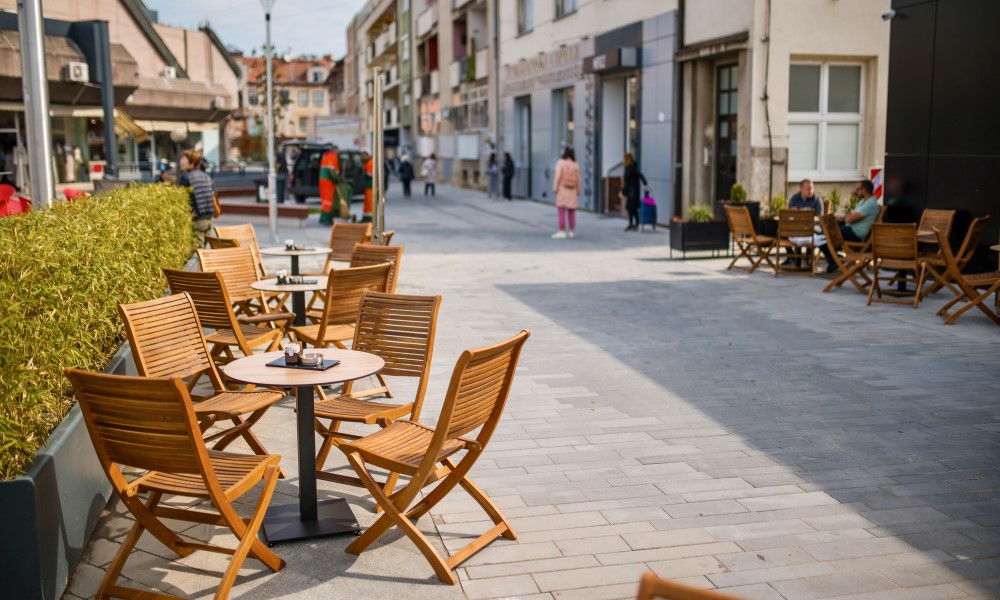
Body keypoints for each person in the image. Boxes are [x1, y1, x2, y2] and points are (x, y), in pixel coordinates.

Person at [818, 179, 881, 273]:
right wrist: (852, 215)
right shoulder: (864, 202)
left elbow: (850, 219)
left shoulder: (870, 203)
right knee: (823, 235)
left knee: (825, 235)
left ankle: (835, 259)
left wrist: (852, 215)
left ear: (864, 190)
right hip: (851, 229)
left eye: (858, 189)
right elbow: (852, 216)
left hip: (855, 234)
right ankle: (835, 258)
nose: (857, 191)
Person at [177, 149, 215, 246]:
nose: (181, 161)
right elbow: (212, 193)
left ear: (192, 162)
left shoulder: (185, 178)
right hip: (210, 218)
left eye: (184, 159)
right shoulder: (206, 176)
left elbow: (181, 200)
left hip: (197, 219)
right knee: (204, 250)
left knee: (196, 251)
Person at [784, 178, 823, 266]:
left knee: (817, 232)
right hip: (796, 227)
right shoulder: (794, 198)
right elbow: (790, 214)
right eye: (808, 189)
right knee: (780, 231)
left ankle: (808, 258)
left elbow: (819, 218)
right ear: (801, 189)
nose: (811, 191)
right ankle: (792, 256)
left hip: (811, 227)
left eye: (812, 188)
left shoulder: (817, 200)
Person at [551, 147, 580, 239]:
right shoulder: (576, 164)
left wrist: (555, 188)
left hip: (563, 189)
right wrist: (578, 191)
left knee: (561, 210)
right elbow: (578, 179)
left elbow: (558, 176)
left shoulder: (561, 163)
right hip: (573, 190)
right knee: (572, 211)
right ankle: (571, 231)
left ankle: (562, 231)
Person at [620, 153, 648, 231]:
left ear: (627, 159)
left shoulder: (632, 167)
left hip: (633, 191)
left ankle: (633, 223)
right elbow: (625, 179)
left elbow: (640, 175)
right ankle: (634, 223)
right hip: (630, 190)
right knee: (632, 208)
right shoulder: (627, 167)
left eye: (624, 158)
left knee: (631, 207)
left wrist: (645, 183)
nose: (622, 160)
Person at [318, 146, 340, 225]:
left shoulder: (325, 155)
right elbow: (332, 170)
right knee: (328, 200)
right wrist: (337, 179)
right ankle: (326, 218)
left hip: (322, 179)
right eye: (337, 151)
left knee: (324, 199)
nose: (338, 153)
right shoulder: (333, 156)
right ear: (335, 150)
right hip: (329, 180)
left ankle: (322, 217)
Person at [362, 151, 374, 222]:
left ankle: (369, 218)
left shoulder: (370, 163)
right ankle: (365, 217)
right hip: (368, 186)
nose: (362, 158)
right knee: (366, 203)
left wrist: (364, 175)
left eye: (363, 156)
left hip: (370, 186)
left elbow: (369, 175)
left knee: (369, 202)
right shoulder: (368, 162)